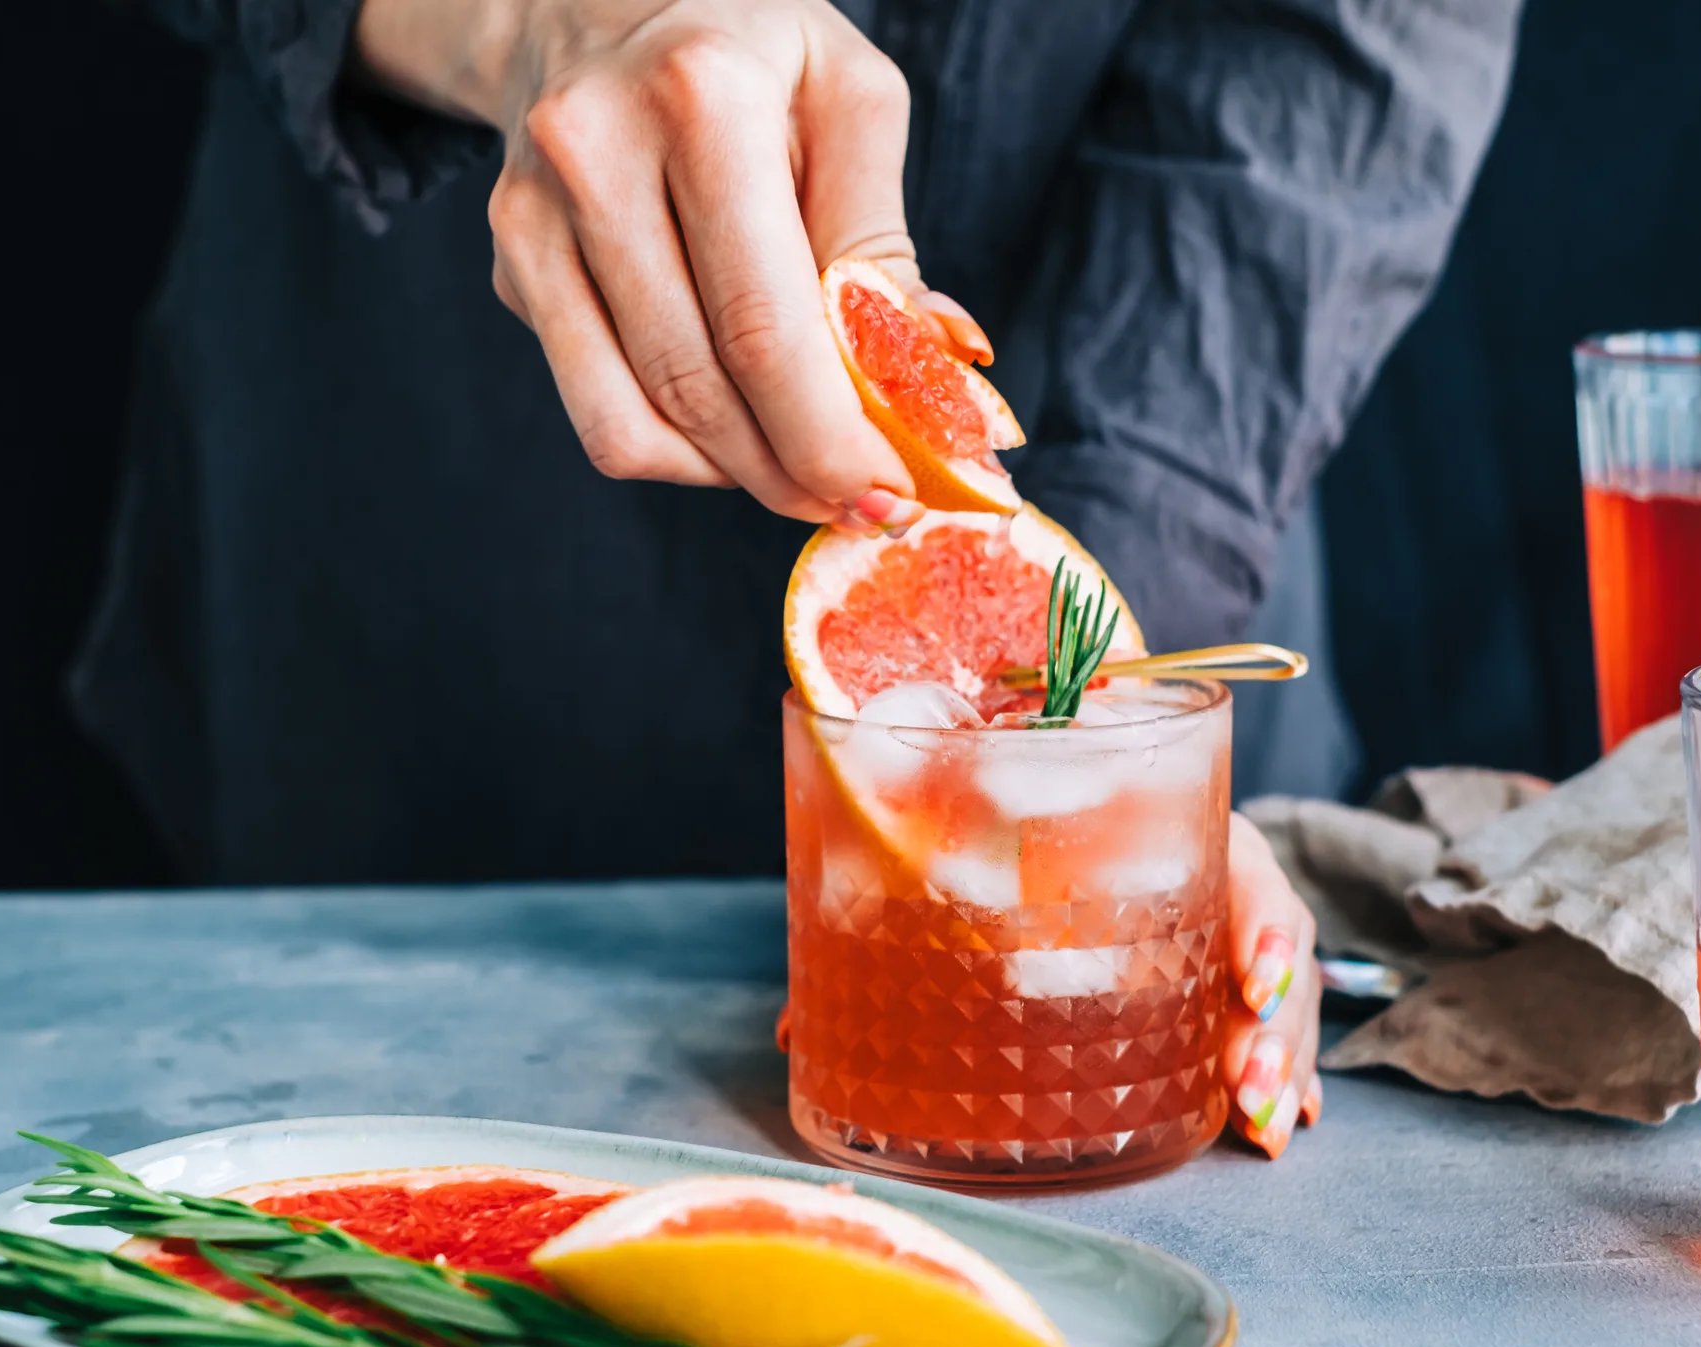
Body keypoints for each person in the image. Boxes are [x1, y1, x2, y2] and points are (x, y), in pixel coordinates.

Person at [80, 0, 1521, 1155]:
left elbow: (1340, 52)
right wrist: (522, 21)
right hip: (420, 616)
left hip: (1165, 484)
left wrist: (1091, 725)